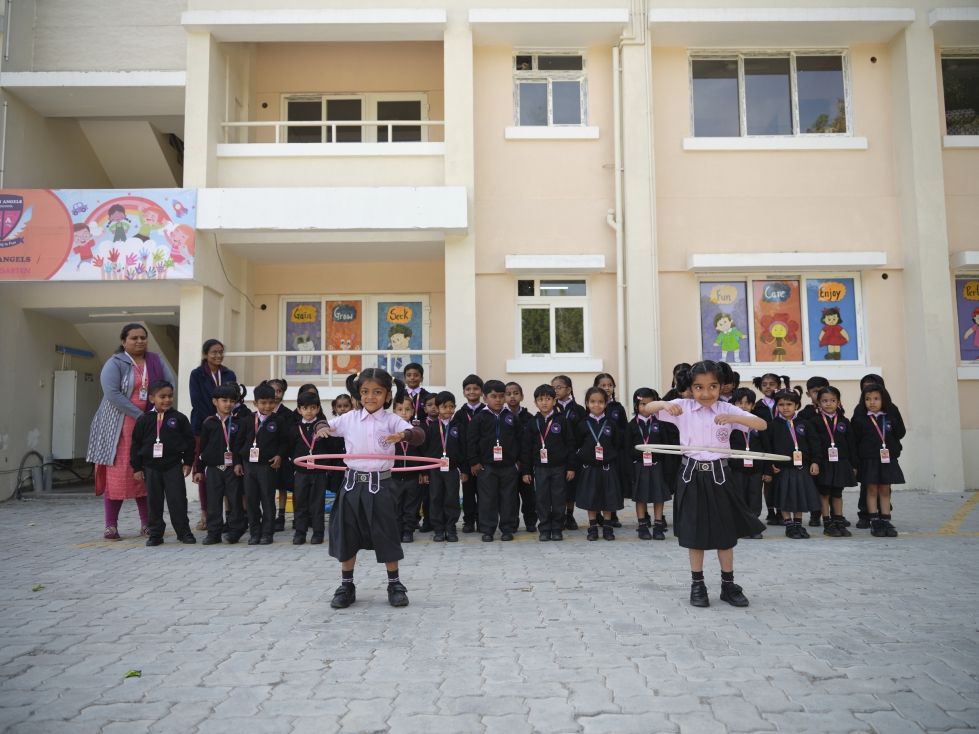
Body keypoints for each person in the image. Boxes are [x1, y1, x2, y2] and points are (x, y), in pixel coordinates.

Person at [641, 361, 768, 608]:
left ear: (722, 386)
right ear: (690, 387)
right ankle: (697, 584)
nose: (706, 393)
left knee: (726, 533)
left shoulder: (726, 409)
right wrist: (666, 404)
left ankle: (728, 585)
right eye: (699, 387)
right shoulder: (683, 408)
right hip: (691, 476)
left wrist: (733, 417)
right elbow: (648, 408)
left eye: (713, 387)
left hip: (721, 476)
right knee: (694, 532)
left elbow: (761, 425)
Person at [313, 369, 426, 609]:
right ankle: (346, 585)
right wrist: (320, 428)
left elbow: (419, 434)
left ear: (387, 395)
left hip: (381, 486)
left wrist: (402, 435)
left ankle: (394, 584)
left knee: (386, 533)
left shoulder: (391, 419)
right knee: (347, 533)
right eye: (365, 392)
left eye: (377, 392)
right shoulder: (349, 419)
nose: (370, 397)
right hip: (352, 485)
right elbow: (324, 422)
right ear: (358, 393)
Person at [87, 323, 174, 541]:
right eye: (134, 338)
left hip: (150, 426)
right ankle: (111, 526)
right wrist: (140, 415)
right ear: (124, 341)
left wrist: (153, 416)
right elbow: (112, 394)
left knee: (147, 474)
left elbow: (168, 385)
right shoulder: (115, 363)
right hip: (119, 426)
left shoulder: (156, 360)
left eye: (143, 337)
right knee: (117, 476)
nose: (140, 341)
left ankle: (147, 524)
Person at [130, 380, 195, 546]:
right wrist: (137, 467)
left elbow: (189, 442)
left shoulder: (179, 418)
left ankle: (184, 532)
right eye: (162, 397)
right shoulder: (144, 420)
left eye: (170, 396)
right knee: (154, 501)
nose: (167, 400)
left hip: (173, 466)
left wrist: (188, 462)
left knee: (178, 500)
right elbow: (136, 444)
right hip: (151, 468)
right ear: (152, 399)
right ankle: (156, 534)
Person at [189, 339, 238, 532]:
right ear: (205, 355)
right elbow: (196, 400)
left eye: (221, 352)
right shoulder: (197, 374)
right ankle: (205, 515)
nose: (218, 356)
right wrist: (212, 420)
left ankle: (227, 515)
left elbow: (234, 397)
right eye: (213, 352)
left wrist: (224, 418)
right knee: (206, 472)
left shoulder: (229, 373)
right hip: (204, 425)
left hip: (227, 426)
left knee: (226, 471)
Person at [467, 379, 521, 541]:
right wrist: (474, 462)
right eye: (493, 396)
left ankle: (507, 528)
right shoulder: (479, 418)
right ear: (485, 398)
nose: (497, 400)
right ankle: (487, 529)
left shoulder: (511, 417)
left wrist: (519, 461)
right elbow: (471, 441)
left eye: (500, 396)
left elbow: (520, 439)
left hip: (508, 466)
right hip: (487, 466)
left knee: (509, 498)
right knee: (487, 498)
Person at [521, 384, 576, 542]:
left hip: (560, 467)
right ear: (535, 402)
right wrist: (526, 471)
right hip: (540, 467)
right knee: (542, 498)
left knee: (559, 498)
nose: (544, 402)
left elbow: (570, 445)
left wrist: (571, 467)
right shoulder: (533, 422)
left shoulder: (562, 421)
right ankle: (544, 528)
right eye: (540, 399)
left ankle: (557, 528)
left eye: (547, 399)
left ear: (554, 401)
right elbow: (526, 448)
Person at [233, 384, 286, 545]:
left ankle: (267, 533)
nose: (268, 406)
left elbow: (284, 442)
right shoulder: (248, 420)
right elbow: (238, 443)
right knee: (251, 499)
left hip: (267, 467)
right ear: (255, 403)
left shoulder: (279, 420)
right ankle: (254, 532)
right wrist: (237, 463)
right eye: (263, 403)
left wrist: (279, 456)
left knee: (268, 499)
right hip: (249, 466)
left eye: (271, 402)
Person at [194, 384, 246, 544]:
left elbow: (240, 446)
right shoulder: (209, 424)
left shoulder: (239, 423)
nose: (228, 404)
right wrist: (199, 469)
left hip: (232, 469)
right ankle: (214, 532)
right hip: (214, 469)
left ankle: (236, 530)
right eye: (224, 400)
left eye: (232, 400)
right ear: (215, 401)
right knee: (214, 501)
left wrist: (238, 463)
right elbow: (202, 449)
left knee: (234, 500)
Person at [852, 383, 905, 538]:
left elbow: (896, 438)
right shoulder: (860, 420)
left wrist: (895, 452)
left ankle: (885, 520)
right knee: (872, 490)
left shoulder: (890, 420)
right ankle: (874, 520)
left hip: (887, 460)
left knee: (884, 490)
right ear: (863, 401)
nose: (872, 402)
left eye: (876, 399)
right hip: (869, 461)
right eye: (868, 399)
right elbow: (855, 442)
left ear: (884, 400)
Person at [768, 389, 821, 539]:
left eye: (789, 404)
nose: (785, 408)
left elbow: (814, 445)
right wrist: (771, 463)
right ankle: (789, 525)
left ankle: (798, 524)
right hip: (782, 468)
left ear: (796, 405)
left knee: (799, 496)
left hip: (801, 467)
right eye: (781, 404)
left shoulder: (805, 424)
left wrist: (815, 461)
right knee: (784, 496)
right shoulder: (772, 425)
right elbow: (768, 447)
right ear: (776, 406)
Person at [576, 387, 624, 542]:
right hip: (589, 467)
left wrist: (609, 457)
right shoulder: (583, 424)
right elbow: (578, 444)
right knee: (591, 496)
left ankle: (608, 527)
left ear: (606, 403)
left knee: (608, 496)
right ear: (586, 403)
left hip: (607, 467)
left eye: (600, 402)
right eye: (592, 402)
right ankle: (592, 527)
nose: (596, 405)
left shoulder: (610, 423)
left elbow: (616, 444)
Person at [422, 391, 469, 542]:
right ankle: (438, 529)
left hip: (452, 470)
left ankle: (451, 527)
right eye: (444, 407)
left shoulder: (458, 427)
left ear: (455, 407)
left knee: (451, 498)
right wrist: (425, 471)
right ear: (437, 408)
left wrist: (464, 470)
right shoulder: (432, 427)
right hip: (435, 470)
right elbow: (426, 450)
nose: (448, 410)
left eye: (451, 406)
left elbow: (464, 450)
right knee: (435, 497)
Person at [812, 386, 856, 537]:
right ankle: (827, 522)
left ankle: (838, 520)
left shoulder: (844, 421)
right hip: (824, 462)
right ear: (818, 402)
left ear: (838, 402)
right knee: (824, 492)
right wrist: (815, 461)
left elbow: (851, 444)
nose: (829, 404)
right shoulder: (815, 421)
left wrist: (853, 464)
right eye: (824, 401)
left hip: (840, 462)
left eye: (832, 400)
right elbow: (813, 444)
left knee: (837, 493)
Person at [628, 388, 670, 541]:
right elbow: (627, 450)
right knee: (641, 497)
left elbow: (665, 447)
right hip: (639, 466)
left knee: (659, 496)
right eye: (642, 404)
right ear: (635, 405)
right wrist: (630, 472)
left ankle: (658, 525)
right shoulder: (632, 425)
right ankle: (643, 525)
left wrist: (667, 469)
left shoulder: (660, 424)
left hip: (657, 465)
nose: (646, 408)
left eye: (650, 404)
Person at [287, 390, 329, 545]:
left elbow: (329, 448)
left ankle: (318, 533)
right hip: (301, 472)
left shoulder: (323, 427)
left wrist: (326, 466)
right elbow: (291, 449)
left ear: (318, 409)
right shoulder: (294, 428)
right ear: (299, 410)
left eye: (312, 407)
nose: (309, 411)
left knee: (317, 503)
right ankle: (300, 533)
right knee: (301, 503)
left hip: (319, 471)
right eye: (305, 408)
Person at [728, 387, 767, 538]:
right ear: (733, 404)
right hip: (737, 468)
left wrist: (767, 470)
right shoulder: (730, 424)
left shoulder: (758, 424)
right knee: (740, 496)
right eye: (739, 403)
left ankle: (754, 526)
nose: (744, 406)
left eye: (748, 403)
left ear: (753, 405)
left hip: (756, 468)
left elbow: (766, 446)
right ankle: (741, 526)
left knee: (755, 496)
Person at [391, 392, 427, 543]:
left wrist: (422, 471)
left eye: (407, 410)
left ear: (413, 411)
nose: (404, 413)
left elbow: (424, 453)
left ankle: (409, 530)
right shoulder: (389, 431)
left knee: (412, 505)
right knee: (396, 505)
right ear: (394, 412)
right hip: (394, 476)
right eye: (400, 409)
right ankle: (398, 530)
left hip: (413, 476)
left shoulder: (417, 432)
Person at [593, 373, 628, 528]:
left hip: (614, 453)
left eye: (610, 385)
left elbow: (624, 430)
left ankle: (612, 514)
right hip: (596, 454)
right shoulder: (593, 406)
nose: (607, 388)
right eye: (603, 385)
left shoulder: (617, 408)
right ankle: (598, 515)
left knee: (613, 484)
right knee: (597, 484)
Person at [455, 374, 485, 533]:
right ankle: (468, 521)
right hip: (467, 462)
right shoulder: (459, 414)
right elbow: (458, 442)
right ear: (463, 392)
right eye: (468, 389)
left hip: (484, 462)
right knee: (467, 493)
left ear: (481, 392)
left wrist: (479, 461)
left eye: (475, 389)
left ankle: (482, 520)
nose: (472, 391)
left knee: (484, 493)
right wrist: (465, 466)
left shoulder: (486, 412)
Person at [552, 375, 583, 530]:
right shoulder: (550, 408)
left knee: (571, 487)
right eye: (553, 388)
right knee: (557, 487)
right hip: (555, 455)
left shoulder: (578, 409)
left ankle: (569, 516)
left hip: (573, 455)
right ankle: (558, 515)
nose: (555, 391)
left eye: (559, 387)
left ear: (569, 390)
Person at [505, 381, 536, 533]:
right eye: (508, 394)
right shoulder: (501, 417)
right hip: (509, 464)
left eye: (516, 393)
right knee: (511, 496)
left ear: (522, 396)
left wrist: (526, 463)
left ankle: (531, 522)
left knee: (529, 495)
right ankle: (513, 523)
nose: (512, 397)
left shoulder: (529, 417)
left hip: (526, 463)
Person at [264, 378, 293, 532]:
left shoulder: (287, 414)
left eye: (279, 391)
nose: (275, 394)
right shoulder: (261, 413)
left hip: (281, 456)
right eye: (272, 390)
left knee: (282, 486)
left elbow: (287, 436)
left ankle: (281, 516)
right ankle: (267, 515)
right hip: (265, 457)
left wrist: (281, 453)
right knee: (266, 488)